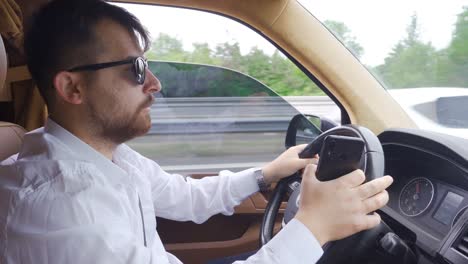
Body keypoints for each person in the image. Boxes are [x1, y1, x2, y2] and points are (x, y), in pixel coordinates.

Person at [0, 0, 393, 263]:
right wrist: (316, 225)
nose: (154, 83)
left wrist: (265, 174)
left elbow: (185, 197)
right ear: (72, 88)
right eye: (135, 69)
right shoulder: (60, 210)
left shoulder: (106, 157)